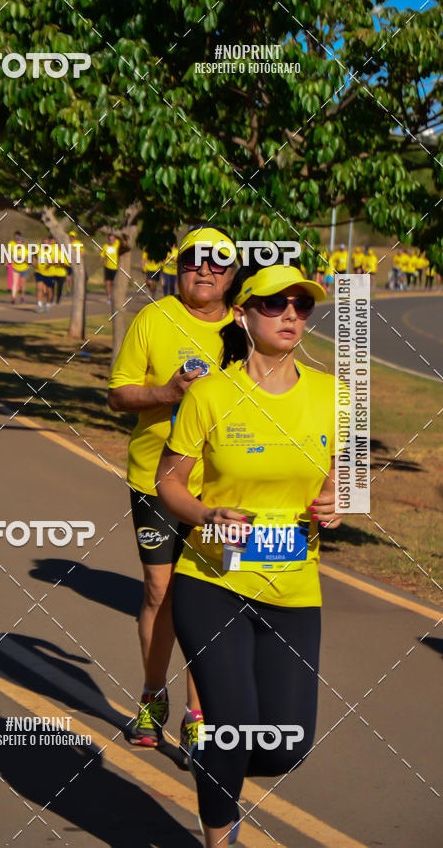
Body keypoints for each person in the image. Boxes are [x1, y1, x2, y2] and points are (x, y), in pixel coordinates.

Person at [156, 259, 340, 848]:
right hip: (213, 579)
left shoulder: (333, 395)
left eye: (301, 305)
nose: (290, 314)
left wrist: (338, 502)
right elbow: (169, 483)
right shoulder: (211, 394)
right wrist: (209, 514)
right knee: (232, 724)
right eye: (273, 304)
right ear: (243, 313)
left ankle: (215, 769)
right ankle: (219, 836)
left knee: (286, 744)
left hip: (293, 587)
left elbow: (345, 480)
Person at [108, 225, 239, 761]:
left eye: (216, 262)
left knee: (207, 600)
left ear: (232, 275)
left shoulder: (247, 327)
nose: (203, 270)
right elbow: (118, 396)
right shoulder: (153, 318)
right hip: (157, 480)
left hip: (226, 487)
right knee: (160, 595)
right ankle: (152, 694)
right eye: (193, 261)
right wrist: (166, 393)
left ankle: (199, 714)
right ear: (179, 267)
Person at [34, 238, 56, 312]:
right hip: (39, 271)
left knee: (50, 291)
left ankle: (48, 304)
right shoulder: (38, 247)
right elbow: (34, 255)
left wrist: (51, 263)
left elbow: (57, 260)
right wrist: (34, 261)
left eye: (47, 244)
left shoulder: (53, 250)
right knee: (39, 287)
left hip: (50, 273)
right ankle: (39, 305)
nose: (45, 245)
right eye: (44, 243)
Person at [9, 231, 29, 304]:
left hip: (24, 268)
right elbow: (11, 257)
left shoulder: (26, 250)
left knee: (22, 284)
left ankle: (22, 296)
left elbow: (28, 261)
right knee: (15, 282)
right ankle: (13, 297)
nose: (18, 242)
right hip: (16, 268)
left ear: (22, 242)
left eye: (20, 241)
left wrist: (22, 258)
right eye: (17, 241)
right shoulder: (13, 249)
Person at [100, 234, 120, 304]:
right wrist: (102, 259)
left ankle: (116, 297)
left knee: (114, 284)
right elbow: (102, 255)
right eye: (110, 239)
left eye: (112, 239)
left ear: (115, 239)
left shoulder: (118, 244)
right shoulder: (105, 246)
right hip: (107, 267)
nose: (111, 240)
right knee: (107, 283)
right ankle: (109, 297)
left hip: (116, 268)